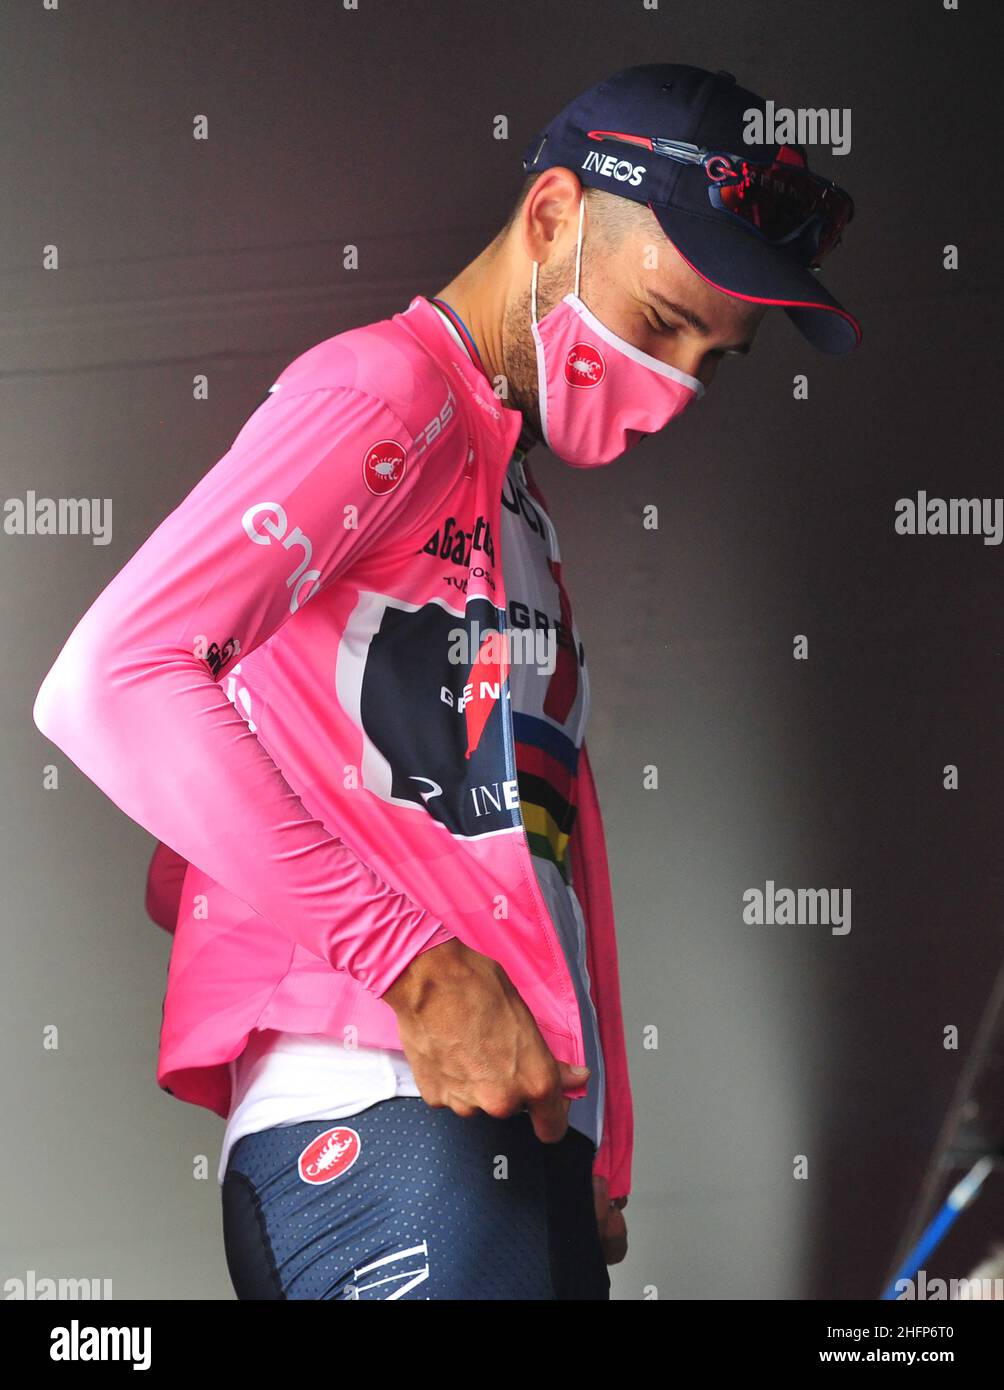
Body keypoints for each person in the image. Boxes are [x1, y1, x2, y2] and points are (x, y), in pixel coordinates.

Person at [32, 63, 859, 1300]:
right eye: (657, 320)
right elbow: (114, 676)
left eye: (711, 356)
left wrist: (603, 1140)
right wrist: (417, 966)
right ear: (550, 218)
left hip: (506, 1127)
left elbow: (550, 844)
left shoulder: (505, 492)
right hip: (377, 1100)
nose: (678, 385)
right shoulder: (388, 390)